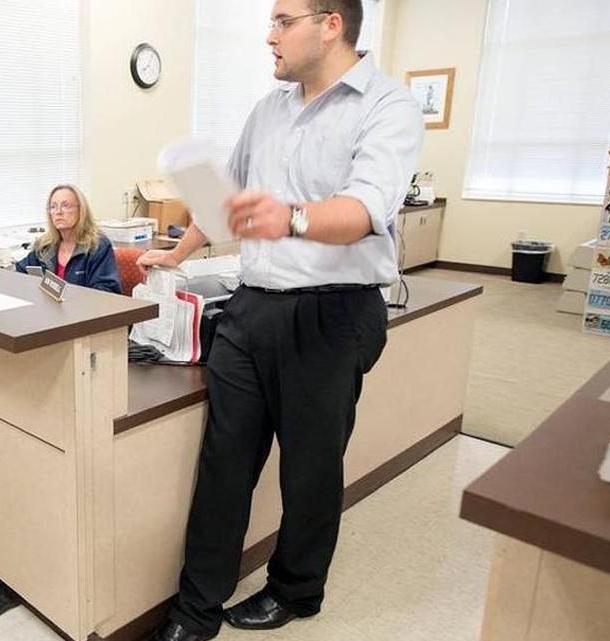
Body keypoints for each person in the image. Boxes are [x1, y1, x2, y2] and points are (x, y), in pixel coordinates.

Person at [140, 2, 423, 639]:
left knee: (310, 467)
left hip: (333, 311)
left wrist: (290, 217)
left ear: (331, 24)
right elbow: (224, 199)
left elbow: (365, 208)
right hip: (252, 306)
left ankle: (297, 590)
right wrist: (175, 254)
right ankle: (195, 611)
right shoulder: (268, 109)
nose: (269, 35)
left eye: (283, 20)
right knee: (225, 463)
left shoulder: (387, 106)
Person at [14, 184, 122, 293]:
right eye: (53, 207)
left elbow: (107, 292)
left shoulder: (97, 245)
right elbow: (19, 271)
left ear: (81, 210)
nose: (58, 212)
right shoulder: (44, 245)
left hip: (85, 308)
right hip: (49, 307)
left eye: (66, 206)